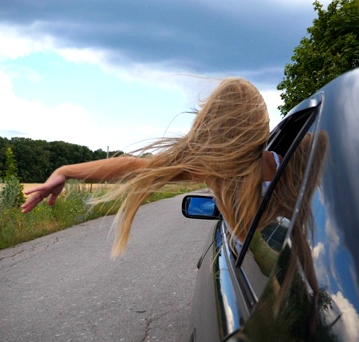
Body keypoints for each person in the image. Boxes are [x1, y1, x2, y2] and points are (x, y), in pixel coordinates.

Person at [21, 77, 280, 258]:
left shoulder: (216, 171)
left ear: (210, 123)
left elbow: (134, 166)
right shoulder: (289, 164)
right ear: (261, 123)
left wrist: (65, 171)